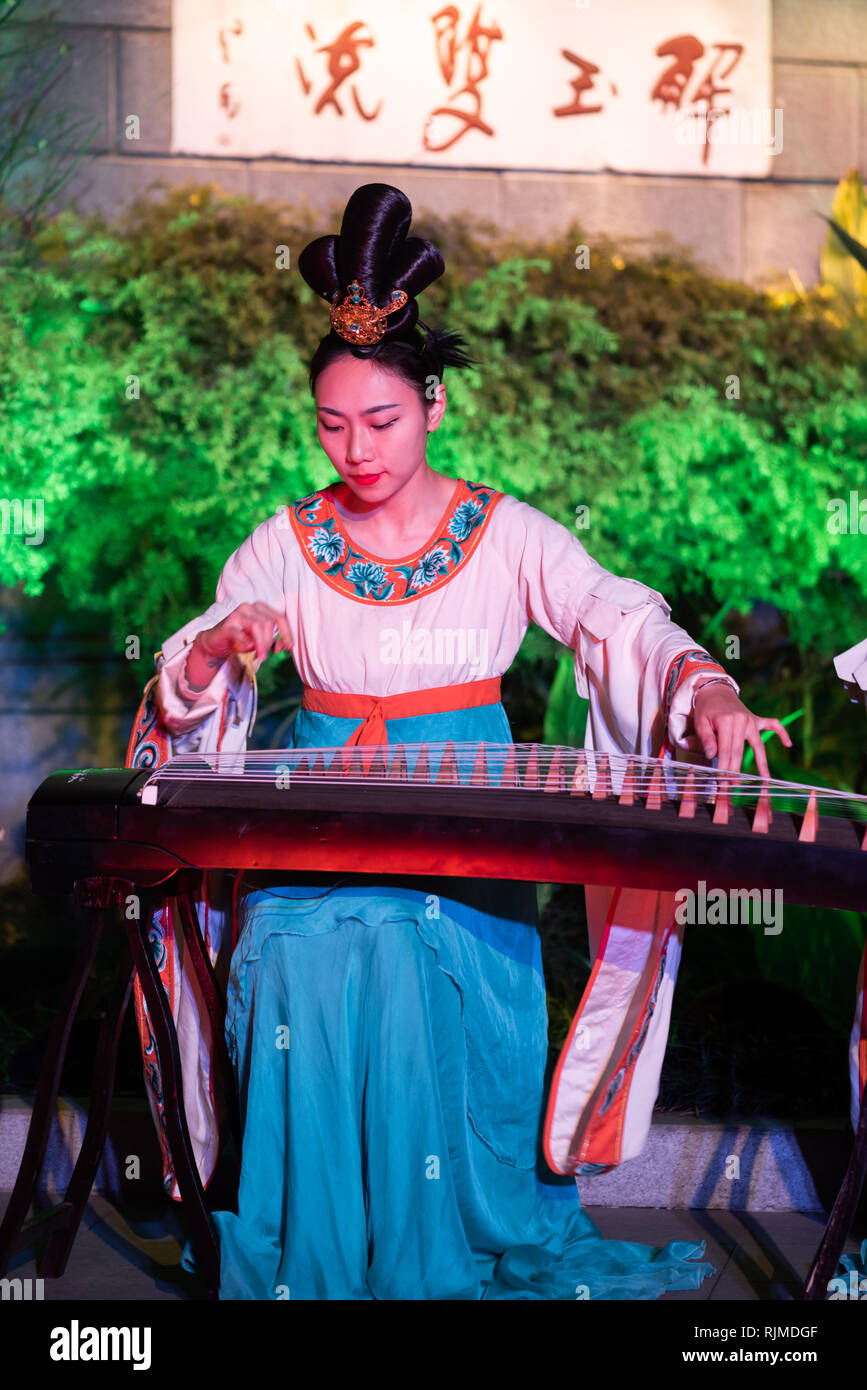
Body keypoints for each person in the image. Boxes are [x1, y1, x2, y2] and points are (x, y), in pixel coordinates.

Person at [152, 183, 791, 1300]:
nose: (356, 447)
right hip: (322, 813)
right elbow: (191, 659)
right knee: (300, 945)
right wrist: (221, 646)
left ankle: (421, 1245)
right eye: (332, 423)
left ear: (434, 404)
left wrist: (705, 686)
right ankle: (325, 1250)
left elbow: (616, 616)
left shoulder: (502, 534)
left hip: (469, 815)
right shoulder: (286, 541)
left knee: (403, 948)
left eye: (383, 421)